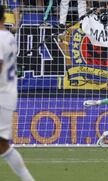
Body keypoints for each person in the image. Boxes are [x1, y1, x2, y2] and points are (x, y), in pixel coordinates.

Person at [0, 5, 35, 181]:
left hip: (1, 95)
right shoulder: (9, 37)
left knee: (3, 145)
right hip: (8, 93)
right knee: (2, 145)